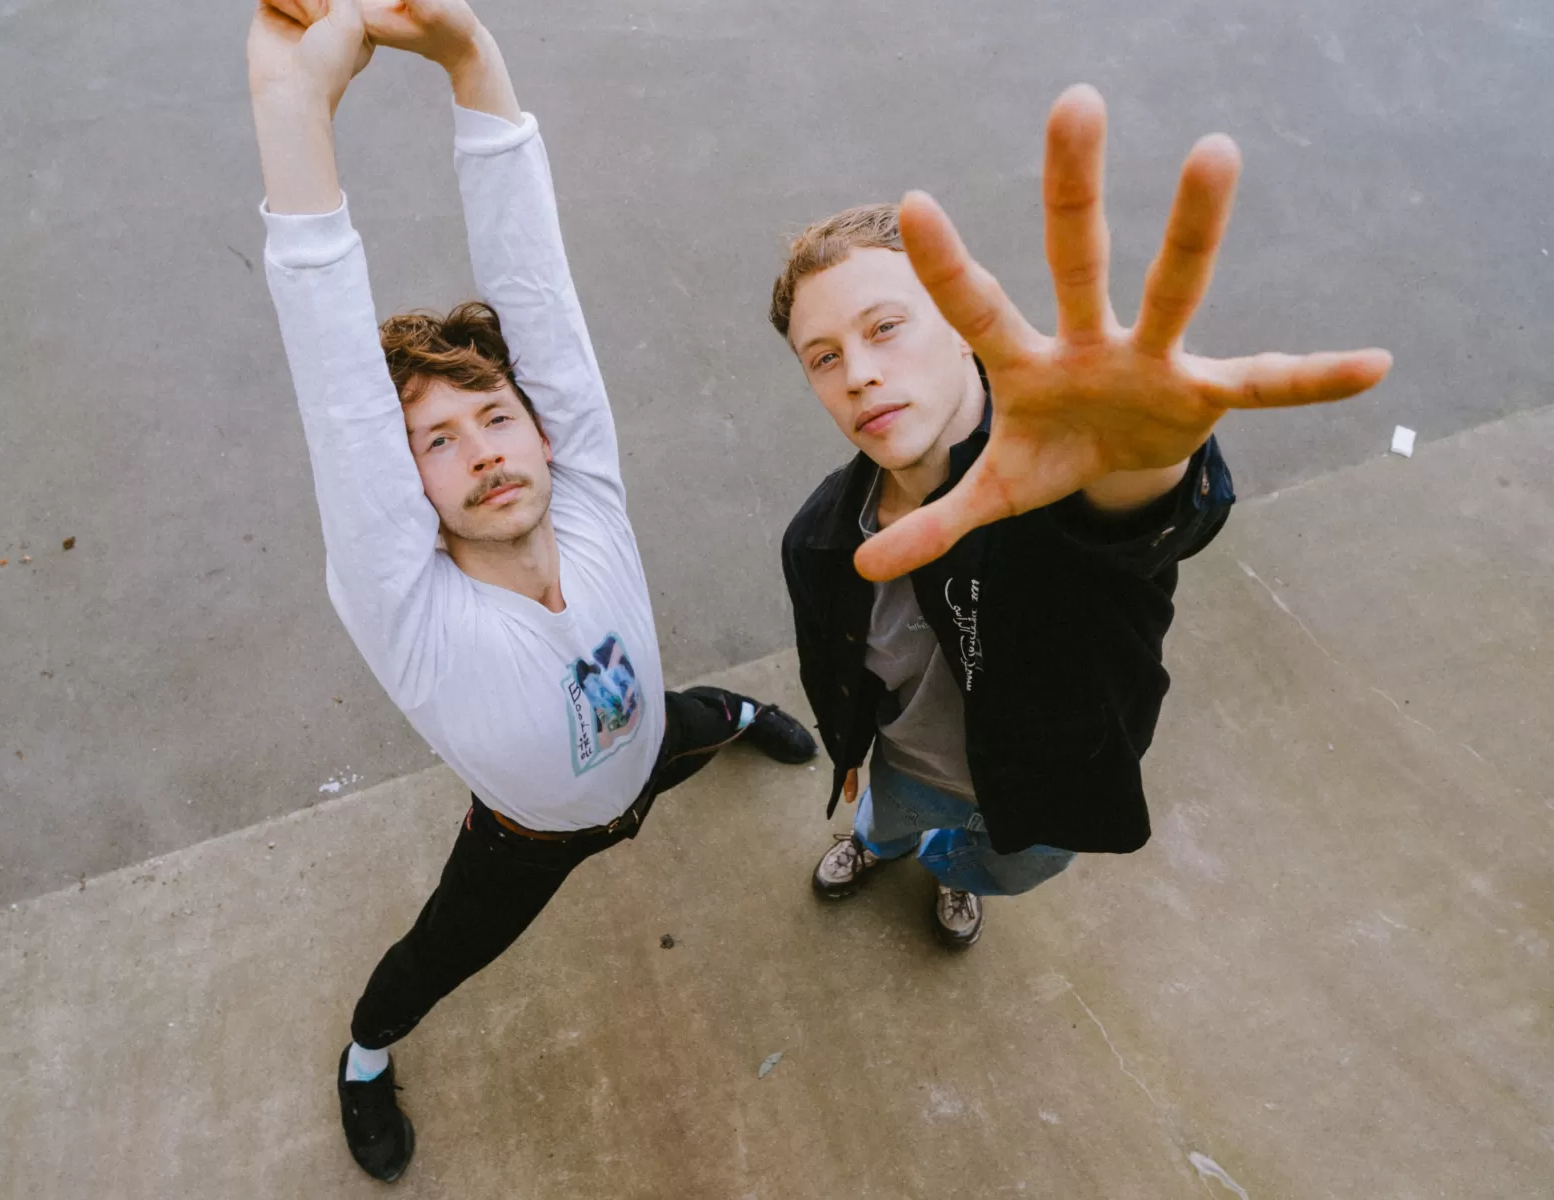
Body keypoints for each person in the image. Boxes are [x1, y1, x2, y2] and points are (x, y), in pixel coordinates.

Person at [245, 0, 816, 1181]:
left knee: (696, 717)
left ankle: (741, 717)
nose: (487, 448)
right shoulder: (407, 605)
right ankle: (364, 1053)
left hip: (648, 735)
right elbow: (338, 384)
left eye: (497, 416)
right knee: (435, 956)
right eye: (440, 442)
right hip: (527, 840)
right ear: (404, 493)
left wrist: (469, 52)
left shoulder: (585, 489)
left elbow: (536, 291)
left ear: (544, 430)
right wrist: (295, 115)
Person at [774, 85, 1390, 948]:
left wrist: (1145, 460)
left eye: (887, 327)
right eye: (824, 357)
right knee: (889, 819)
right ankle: (879, 847)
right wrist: (845, 750)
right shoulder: (818, 536)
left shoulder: (1063, 481)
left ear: (960, 329)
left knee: (989, 862)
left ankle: (955, 877)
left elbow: (1133, 530)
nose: (860, 375)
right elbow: (835, 661)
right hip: (909, 766)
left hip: (1049, 789)